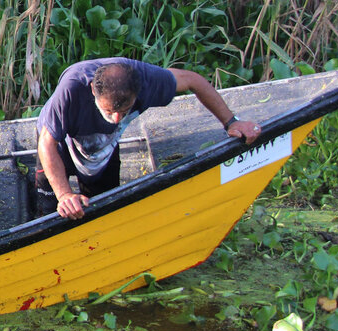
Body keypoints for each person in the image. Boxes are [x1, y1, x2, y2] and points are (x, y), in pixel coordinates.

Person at [36, 58, 261, 220]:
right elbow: (47, 143)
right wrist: (64, 195)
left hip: (104, 144)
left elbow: (193, 80)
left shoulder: (148, 80)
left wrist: (231, 122)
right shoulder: (72, 88)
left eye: (124, 111)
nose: (116, 119)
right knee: (51, 205)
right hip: (60, 139)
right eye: (109, 111)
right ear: (93, 90)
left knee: (103, 204)